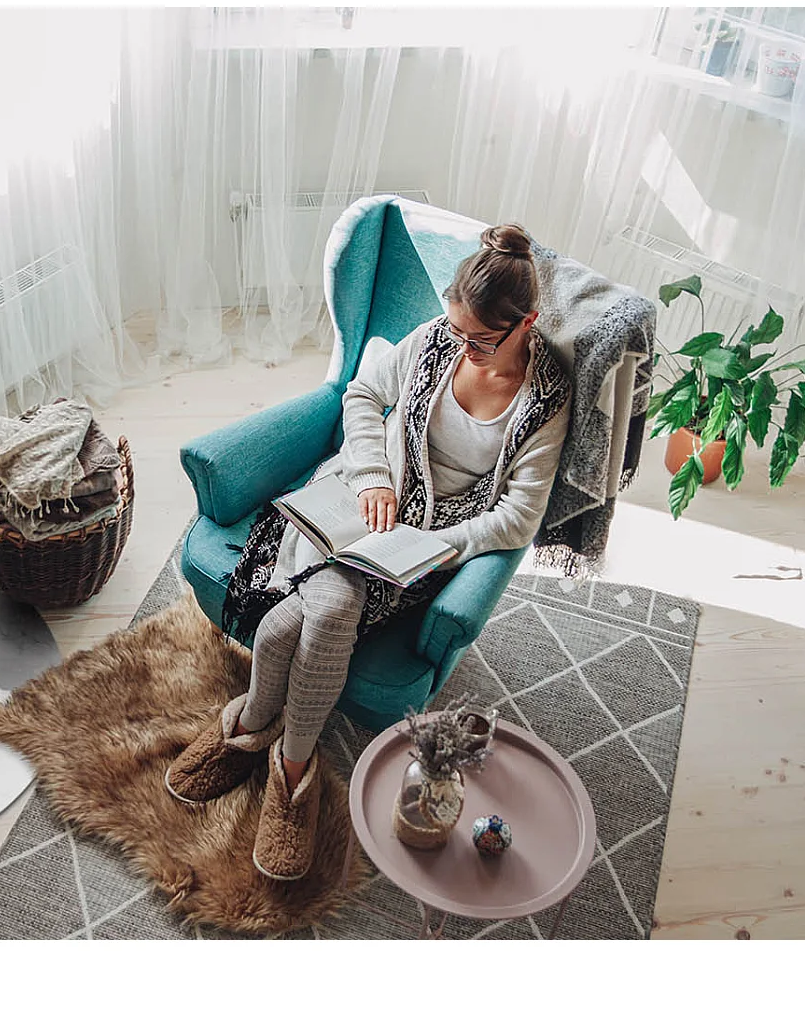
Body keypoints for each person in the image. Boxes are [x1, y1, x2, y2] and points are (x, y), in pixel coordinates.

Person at [164, 223, 574, 881]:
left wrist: (440, 547)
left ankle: (267, 749)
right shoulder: (440, 336)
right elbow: (361, 393)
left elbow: (519, 516)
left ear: (524, 323)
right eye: (455, 329)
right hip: (361, 495)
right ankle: (278, 756)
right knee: (313, 618)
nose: (460, 348)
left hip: (430, 541)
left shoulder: (546, 398)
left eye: (479, 340)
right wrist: (372, 479)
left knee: (298, 623)